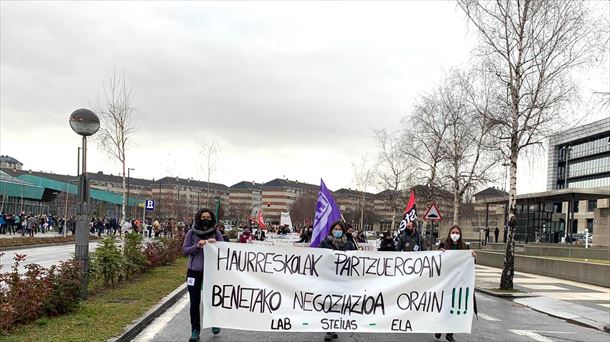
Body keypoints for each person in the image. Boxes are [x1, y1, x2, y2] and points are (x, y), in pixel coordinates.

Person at [182, 208, 224, 342]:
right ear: (199, 218)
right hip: (194, 272)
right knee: (194, 302)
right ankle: (195, 330)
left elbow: (224, 249)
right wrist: (197, 246)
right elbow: (184, 250)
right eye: (203, 216)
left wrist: (215, 244)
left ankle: (214, 322)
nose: (206, 219)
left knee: (212, 299)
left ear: (212, 219)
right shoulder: (191, 233)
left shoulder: (216, 233)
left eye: (208, 217)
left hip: (211, 272)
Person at [434, 225, 476, 342]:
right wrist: (439, 253)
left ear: (460, 234)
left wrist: (472, 257)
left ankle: (449, 333)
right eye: (453, 232)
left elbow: (471, 264)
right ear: (449, 233)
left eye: (457, 232)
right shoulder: (443, 245)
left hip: (458, 283)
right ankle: (439, 328)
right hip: (445, 281)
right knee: (443, 307)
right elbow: (436, 261)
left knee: (454, 307)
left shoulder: (465, 247)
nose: (455, 234)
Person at [318, 220, 357, 341]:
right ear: (331, 230)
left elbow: (356, 258)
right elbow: (317, 257)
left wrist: (352, 241)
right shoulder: (325, 243)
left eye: (340, 230)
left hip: (343, 279)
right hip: (329, 279)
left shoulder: (349, 244)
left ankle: (337, 324)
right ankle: (329, 329)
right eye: (336, 229)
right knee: (330, 303)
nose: (338, 231)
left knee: (341, 303)